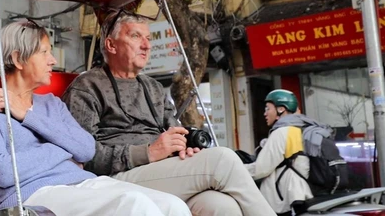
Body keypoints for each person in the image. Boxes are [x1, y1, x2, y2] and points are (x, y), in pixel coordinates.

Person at [0, 21, 189, 216]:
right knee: (132, 204)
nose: (52, 60)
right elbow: (1, 172)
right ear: (18, 59)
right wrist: (63, 152)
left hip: (84, 182)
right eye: (44, 52)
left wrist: (28, 116)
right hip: (32, 196)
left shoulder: (52, 103)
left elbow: (86, 150)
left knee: (172, 206)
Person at [64, 13, 275, 216]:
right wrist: (147, 152)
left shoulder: (153, 87)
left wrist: (185, 148)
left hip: (161, 171)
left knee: (222, 206)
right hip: (112, 179)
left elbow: (175, 131)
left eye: (148, 38)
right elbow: (83, 156)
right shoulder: (87, 86)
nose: (146, 46)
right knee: (223, 160)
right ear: (111, 45)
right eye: (135, 36)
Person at [246, 89, 314, 215]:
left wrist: (236, 170)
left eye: (268, 109)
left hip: (283, 200)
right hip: (299, 195)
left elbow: (261, 169)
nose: (264, 114)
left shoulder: (282, 132)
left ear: (281, 109)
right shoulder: (301, 128)